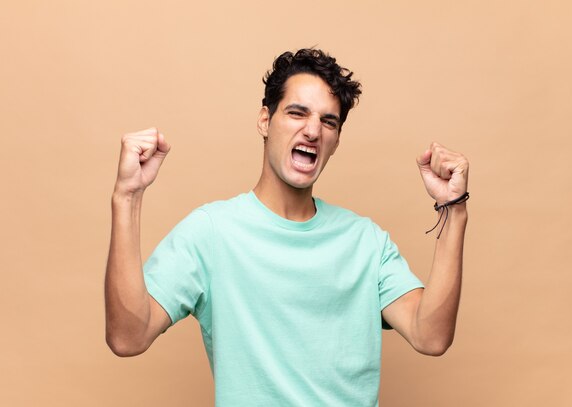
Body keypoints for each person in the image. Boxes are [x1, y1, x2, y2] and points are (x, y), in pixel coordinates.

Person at [105, 48, 469, 406]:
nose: (313, 130)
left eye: (328, 122)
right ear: (265, 120)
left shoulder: (366, 241)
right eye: (297, 113)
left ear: (336, 141)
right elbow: (128, 337)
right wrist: (127, 196)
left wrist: (454, 210)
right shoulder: (211, 233)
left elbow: (431, 336)